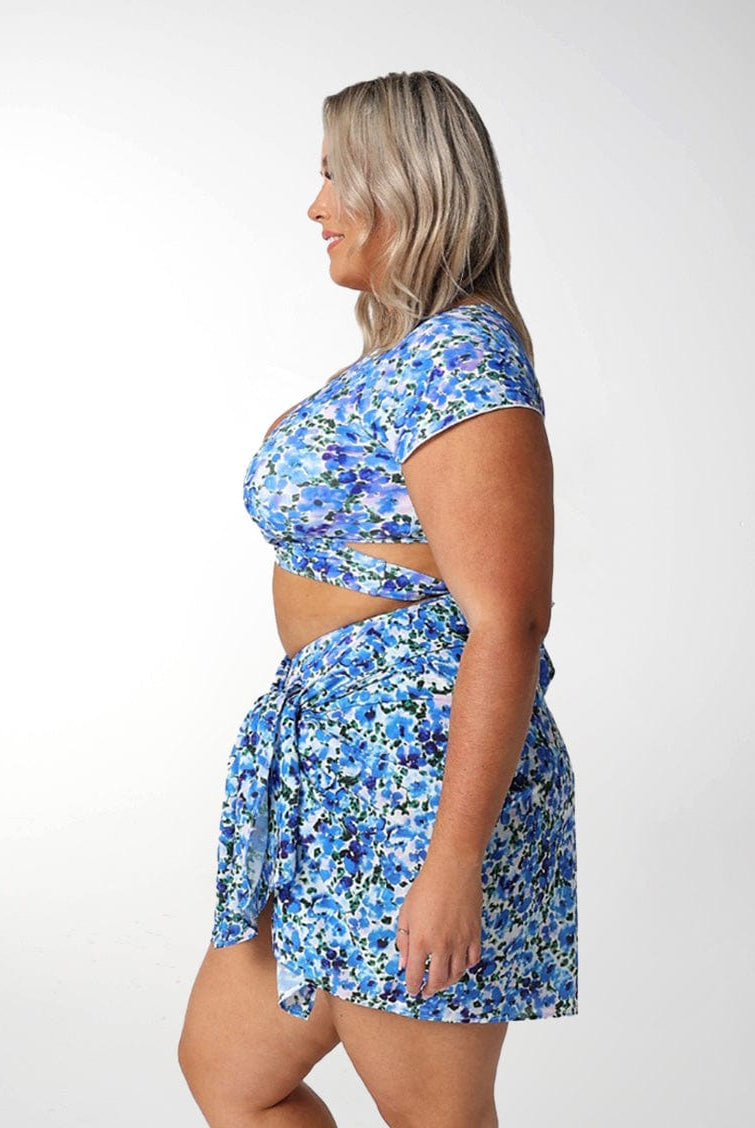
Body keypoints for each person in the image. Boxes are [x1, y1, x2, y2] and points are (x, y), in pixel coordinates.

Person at [178, 70, 577, 1127]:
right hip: (334, 782)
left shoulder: (464, 360)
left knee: (434, 1119)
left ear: (405, 186)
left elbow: (506, 620)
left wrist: (450, 863)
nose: (313, 207)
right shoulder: (404, 359)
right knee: (231, 1074)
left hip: (413, 782)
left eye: (331, 178)